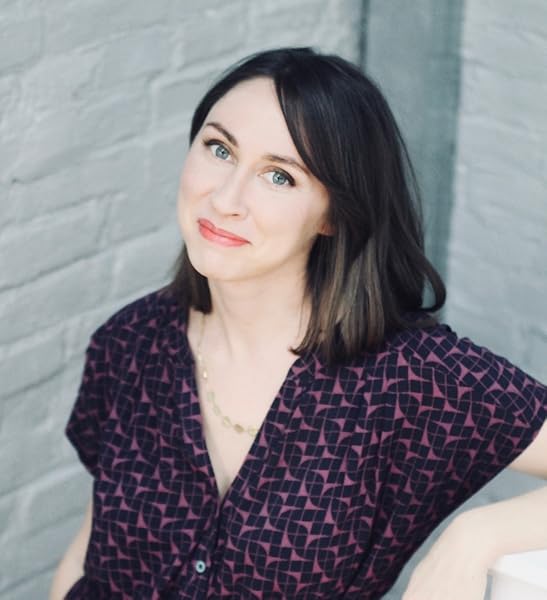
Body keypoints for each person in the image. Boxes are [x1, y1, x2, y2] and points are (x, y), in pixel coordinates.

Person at [49, 46, 547, 600]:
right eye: (219, 149)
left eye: (279, 177)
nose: (226, 198)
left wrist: (474, 538)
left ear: (334, 213)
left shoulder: (407, 376)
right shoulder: (131, 341)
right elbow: (92, 546)